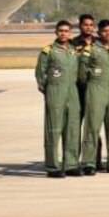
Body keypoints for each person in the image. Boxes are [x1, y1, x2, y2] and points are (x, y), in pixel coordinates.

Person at [36, 20, 81, 178]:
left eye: (66, 31)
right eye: (61, 30)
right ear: (56, 32)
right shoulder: (48, 51)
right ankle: (52, 165)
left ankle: (70, 164)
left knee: (72, 129)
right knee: (53, 130)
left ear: (70, 33)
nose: (63, 33)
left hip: (72, 92)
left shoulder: (74, 50)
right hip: (55, 92)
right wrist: (49, 91)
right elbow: (40, 75)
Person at [78, 18, 109, 174]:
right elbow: (82, 74)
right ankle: (89, 162)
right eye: (104, 31)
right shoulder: (90, 49)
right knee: (92, 127)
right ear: (99, 32)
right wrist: (91, 86)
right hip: (95, 87)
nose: (108, 33)